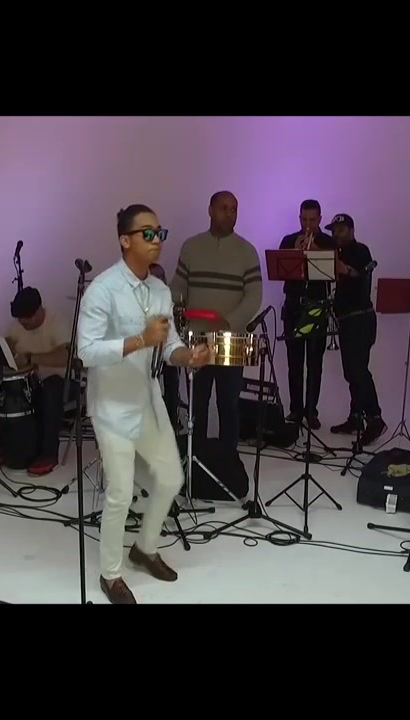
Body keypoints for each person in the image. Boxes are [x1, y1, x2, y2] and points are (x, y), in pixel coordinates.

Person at [77, 203, 212, 604]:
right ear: (125, 240)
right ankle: (110, 574)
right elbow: (86, 351)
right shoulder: (102, 289)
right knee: (120, 492)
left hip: (148, 400)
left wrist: (188, 356)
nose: (157, 240)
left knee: (171, 478)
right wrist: (140, 340)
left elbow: (168, 345)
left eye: (159, 233)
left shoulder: (159, 290)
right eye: (148, 233)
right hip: (111, 406)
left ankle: (145, 548)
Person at [170, 191, 262, 452]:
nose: (229, 213)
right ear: (210, 210)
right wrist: (164, 301)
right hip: (197, 339)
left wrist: (229, 322)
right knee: (197, 403)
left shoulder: (247, 251)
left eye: (234, 209)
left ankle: (227, 458)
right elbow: (179, 287)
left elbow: (254, 296)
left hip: (232, 340)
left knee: (229, 404)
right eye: (223, 208)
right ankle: (196, 457)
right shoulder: (191, 247)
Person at [326, 213, 386, 445]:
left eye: (341, 230)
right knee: (350, 371)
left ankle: (375, 419)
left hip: (360, 319)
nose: (336, 234)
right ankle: (355, 417)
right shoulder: (335, 252)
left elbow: (362, 276)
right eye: (334, 231)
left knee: (358, 370)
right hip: (346, 320)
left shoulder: (361, 250)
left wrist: (344, 269)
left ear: (351, 230)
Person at [0, 286, 69, 475]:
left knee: (51, 390)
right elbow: (7, 347)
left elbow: (66, 356)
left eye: (26, 319)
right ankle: (6, 448)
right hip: (29, 380)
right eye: (20, 319)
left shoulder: (56, 321)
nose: (23, 323)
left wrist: (31, 358)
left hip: (57, 379)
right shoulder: (17, 325)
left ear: (38, 311)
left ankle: (49, 454)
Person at [279, 199, 335, 428]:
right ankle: (295, 410)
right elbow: (281, 271)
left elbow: (333, 271)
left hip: (316, 307)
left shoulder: (328, 242)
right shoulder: (288, 240)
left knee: (314, 363)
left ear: (320, 219)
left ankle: (311, 411)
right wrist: (295, 251)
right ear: (299, 218)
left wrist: (316, 252)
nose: (308, 225)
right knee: (294, 363)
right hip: (293, 306)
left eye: (312, 220)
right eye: (304, 219)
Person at [149, 262, 184, 433]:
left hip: (164, 349)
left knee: (172, 377)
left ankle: (171, 420)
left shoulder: (169, 300)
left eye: (160, 277)